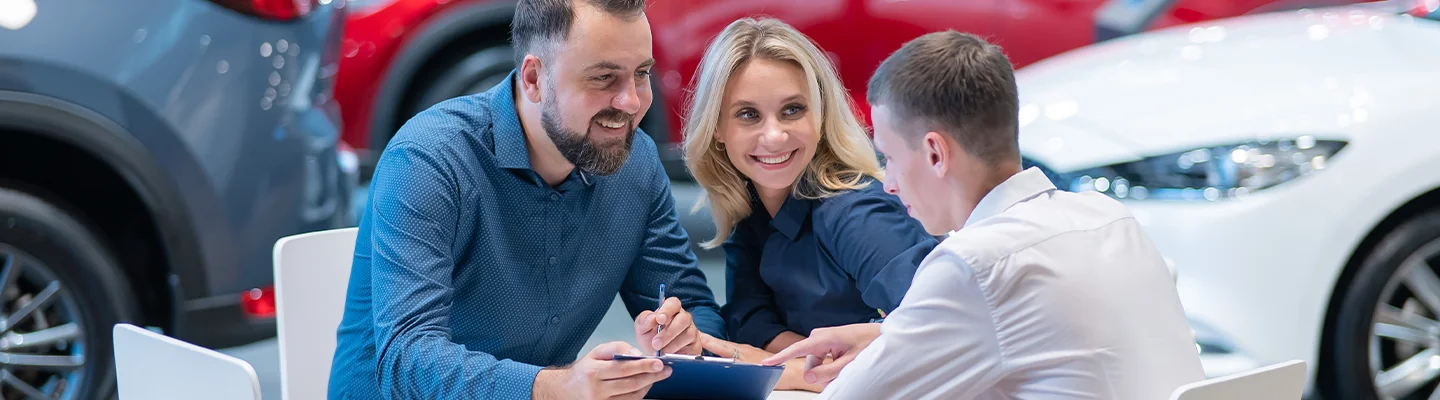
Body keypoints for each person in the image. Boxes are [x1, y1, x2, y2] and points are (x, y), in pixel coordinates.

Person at [761, 31, 1206, 399]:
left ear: (935, 153)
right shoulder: (1109, 217)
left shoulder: (973, 263)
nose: (889, 183)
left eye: (890, 157)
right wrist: (887, 336)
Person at [326, 1, 726, 399]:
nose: (632, 102)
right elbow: (407, 360)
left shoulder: (634, 160)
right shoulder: (429, 158)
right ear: (534, 78)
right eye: (604, 77)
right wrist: (554, 387)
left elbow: (694, 308)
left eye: (641, 74)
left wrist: (684, 337)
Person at [673, 17, 938, 392]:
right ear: (717, 127)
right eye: (748, 114)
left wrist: (790, 371)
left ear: (820, 113)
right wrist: (805, 357)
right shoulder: (749, 205)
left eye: (792, 110)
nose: (774, 135)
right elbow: (751, 319)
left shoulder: (855, 212)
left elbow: (938, 333)